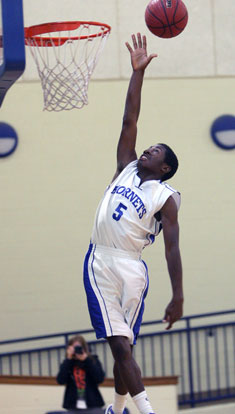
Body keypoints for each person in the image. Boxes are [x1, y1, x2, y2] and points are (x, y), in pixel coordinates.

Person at [83, 33, 183, 414]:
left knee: (126, 348)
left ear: (165, 168)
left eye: (155, 151)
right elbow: (130, 116)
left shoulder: (166, 198)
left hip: (133, 268)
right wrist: (137, 73)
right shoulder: (125, 167)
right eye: (149, 146)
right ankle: (141, 411)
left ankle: (117, 407)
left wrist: (178, 294)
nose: (147, 149)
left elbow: (173, 248)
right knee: (120, 345)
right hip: (102, 261)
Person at [56, 335, 105, 412]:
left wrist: (86, 360)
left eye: (79, 347)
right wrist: (68, 359)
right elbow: (60, 380)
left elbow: (99, 378)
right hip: (72, 406)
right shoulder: (68, 363)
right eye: (74, 348)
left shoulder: (93, 360)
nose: (76, 350)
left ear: (84, 348)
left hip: (93, 404)